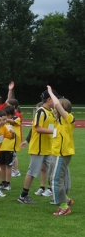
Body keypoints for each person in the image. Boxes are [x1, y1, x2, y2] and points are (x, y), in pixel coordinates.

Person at [18, 90, 58, 204]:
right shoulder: (41, 112)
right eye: (54, 98)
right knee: (32, 172)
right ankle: (23, 195)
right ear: (49, 99)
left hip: (48, 148)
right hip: (38, 148)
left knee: (52, 172)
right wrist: (54, 131)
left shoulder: (50, 112)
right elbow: (38, 128)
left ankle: (54, 195)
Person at [47, 86, 74, 216]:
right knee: (51, 178)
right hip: (56, 154)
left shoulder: (67, 119)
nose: (54, 109)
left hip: (62, 154)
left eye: (57, 108)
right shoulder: (58, 121)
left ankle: (64, 206)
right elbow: (53, 107)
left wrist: (51, 92)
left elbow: (57, 104)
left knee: (56, 180)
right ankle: (66, 200)